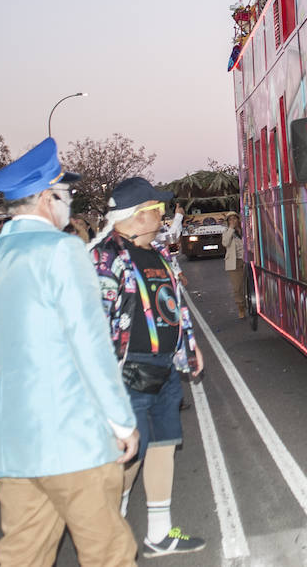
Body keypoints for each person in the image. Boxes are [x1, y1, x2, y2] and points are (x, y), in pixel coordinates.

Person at [0, 137, 140, 567]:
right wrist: (121, 422)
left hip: (10, 446)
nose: (69, 205)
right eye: (66, 195)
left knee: (24, 556)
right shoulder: (63, 251)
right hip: (70, 440)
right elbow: (89, 343)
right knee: (108, 553)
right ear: (46, 198)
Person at [90, 177, 206, 557]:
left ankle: (159, 534)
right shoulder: (104, 257)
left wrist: (188, 347)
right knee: (127, 455)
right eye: (156, 208)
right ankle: (113, 536)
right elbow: (94, 323)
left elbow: (171, 307)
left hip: (164, 368)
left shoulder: (158, 253)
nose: (161, 214)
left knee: (163, 445)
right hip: (126, 374)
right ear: (139, 216)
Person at [221, 212, 245, 318]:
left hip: (246, 261)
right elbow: (225, 243)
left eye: (234, 219)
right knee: (237, 287)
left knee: (247, 284)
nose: (233, 221)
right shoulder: (227, 232)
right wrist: (231, 229)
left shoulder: (244, 230)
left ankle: (250, 303)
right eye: (230, 220)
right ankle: (241, 307)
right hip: (234, 263)